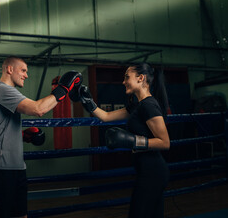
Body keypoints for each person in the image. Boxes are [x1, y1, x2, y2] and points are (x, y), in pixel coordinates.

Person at [0, 57, 82, 218]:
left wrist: (23, 135)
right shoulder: (1, 89)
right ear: (9, 69)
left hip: (16, 168)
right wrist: (63, 88)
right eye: (23, 70)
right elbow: (38, 109)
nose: (26, 75)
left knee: (20, 215)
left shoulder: (9, 92)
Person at [70, 62, 170, 218]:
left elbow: (165, 142)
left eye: (127, 77)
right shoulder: (136, 105)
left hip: (153, 172)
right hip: (146, 170)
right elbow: (106, 116)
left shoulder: (149, 105)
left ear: (140, 78)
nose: (123, 82)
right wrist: (88, 102)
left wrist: (133, 141)